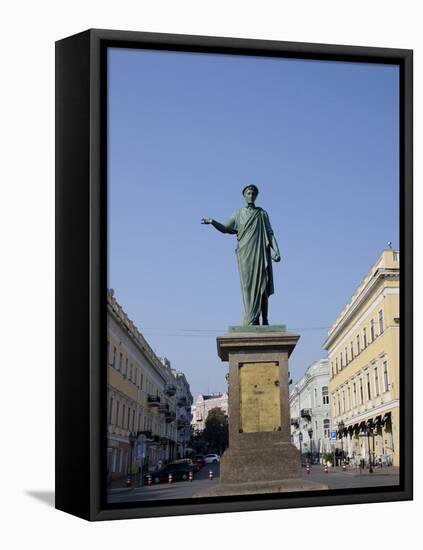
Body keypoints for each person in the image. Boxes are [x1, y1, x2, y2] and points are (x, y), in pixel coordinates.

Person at [201, 184, 281, 325]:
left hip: (260, 252)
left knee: (262, 286)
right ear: (244, 195)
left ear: (256, 196)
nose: (251, 195)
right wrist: (213, 222)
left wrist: (277, 250)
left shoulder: (262, 213)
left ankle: (265, 320)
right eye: (248, 193)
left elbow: (270, 233)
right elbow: (226, 228)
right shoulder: (238, 213)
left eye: (253, 193)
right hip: (245, 254)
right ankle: (251, 318)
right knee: (248, 286)